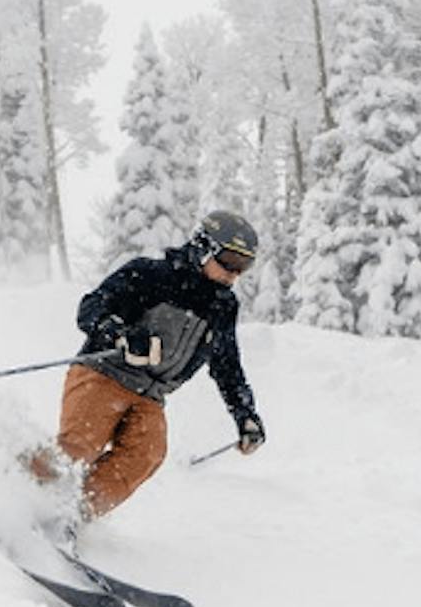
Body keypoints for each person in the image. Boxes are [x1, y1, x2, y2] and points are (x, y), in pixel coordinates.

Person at [30, 209, 266, 524]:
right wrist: (121, 335)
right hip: (104, 374)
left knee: (146, 454)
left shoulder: (222, 305)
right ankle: (22, 490)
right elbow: (91, 308)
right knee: (81, 445)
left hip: (151, 394)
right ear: (203, 247)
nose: (234, 274)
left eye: (244, 266)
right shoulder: (151, 275)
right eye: (229, 261)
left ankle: (71, 516)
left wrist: (245, 414)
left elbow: (226, 363)